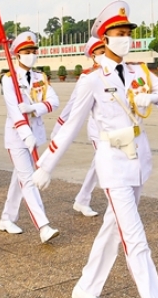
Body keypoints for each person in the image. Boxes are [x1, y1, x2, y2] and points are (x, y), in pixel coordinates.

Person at [33, 0, 158, 298]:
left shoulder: (138, 70)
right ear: (104, 39)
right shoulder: (93, 79)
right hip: (113, 163)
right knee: (134, 238)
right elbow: (71, 124)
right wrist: (46, 164)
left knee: (112, 229)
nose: (125, 36)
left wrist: (155, 98)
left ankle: (85, 289)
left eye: (128, 31)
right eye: (118, 31)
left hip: (139, 160)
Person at [0, 31, 60, 242]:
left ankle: (7, 218)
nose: (31, 54)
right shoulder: (9, 80)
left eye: (34, 51)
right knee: (27, 179)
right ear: (17, 54)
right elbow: (14, 110)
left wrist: (34, 108)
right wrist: (25, 134)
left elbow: (53, 101)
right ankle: (43, 226)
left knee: (20, 178)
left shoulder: (40, 78)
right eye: (26, 51)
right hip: (17, 136)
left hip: (36, 133)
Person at [50, 36, 106, 217]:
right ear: (93, 55)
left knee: (99, 164)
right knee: (105, 163)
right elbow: (72, 104)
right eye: (101, 52)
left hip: (118, 130)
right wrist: (59, 128)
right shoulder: (88, 77)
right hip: (98, 130)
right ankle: (117, 205)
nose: (106, 55)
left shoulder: (117, 72)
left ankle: (82, 199)